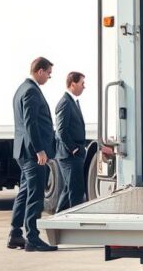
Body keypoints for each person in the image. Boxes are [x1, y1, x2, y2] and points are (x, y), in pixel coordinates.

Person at [8, 57, 58, 252]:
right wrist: (39, 150)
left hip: (24, 151)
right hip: (32, 153)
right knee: (36, 195)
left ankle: (15, 234)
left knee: (25, 192)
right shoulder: (31, 91)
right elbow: (30, 123)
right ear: (40, 71)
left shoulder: (21, 89)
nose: (49, 77)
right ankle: (33, 238)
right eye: (48, 73)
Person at [55, 71, 87, 212]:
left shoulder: (72, 101)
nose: (84, 86)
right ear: (73, 84)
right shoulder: (65, 103)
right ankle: (74, 222)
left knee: (69, 190)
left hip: (74, 154)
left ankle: (58, 218)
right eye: (82, 83)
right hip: (69, 156)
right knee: (76, 191)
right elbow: (61, 130)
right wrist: (73, 148)